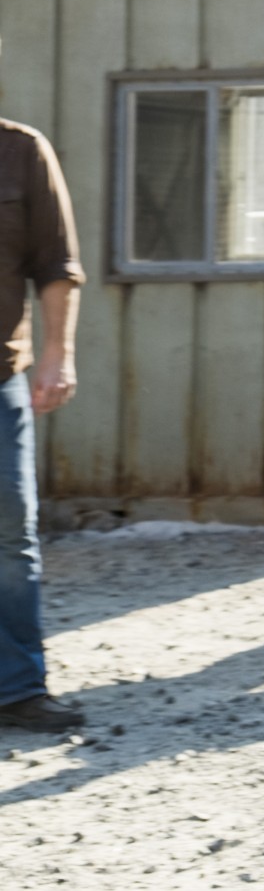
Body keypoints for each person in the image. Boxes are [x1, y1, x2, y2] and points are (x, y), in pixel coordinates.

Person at [0, 100, 85, 734]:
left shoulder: (20, 151)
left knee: (10, 531)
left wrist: (57, 354)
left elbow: (56, 262)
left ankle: (17, 688)